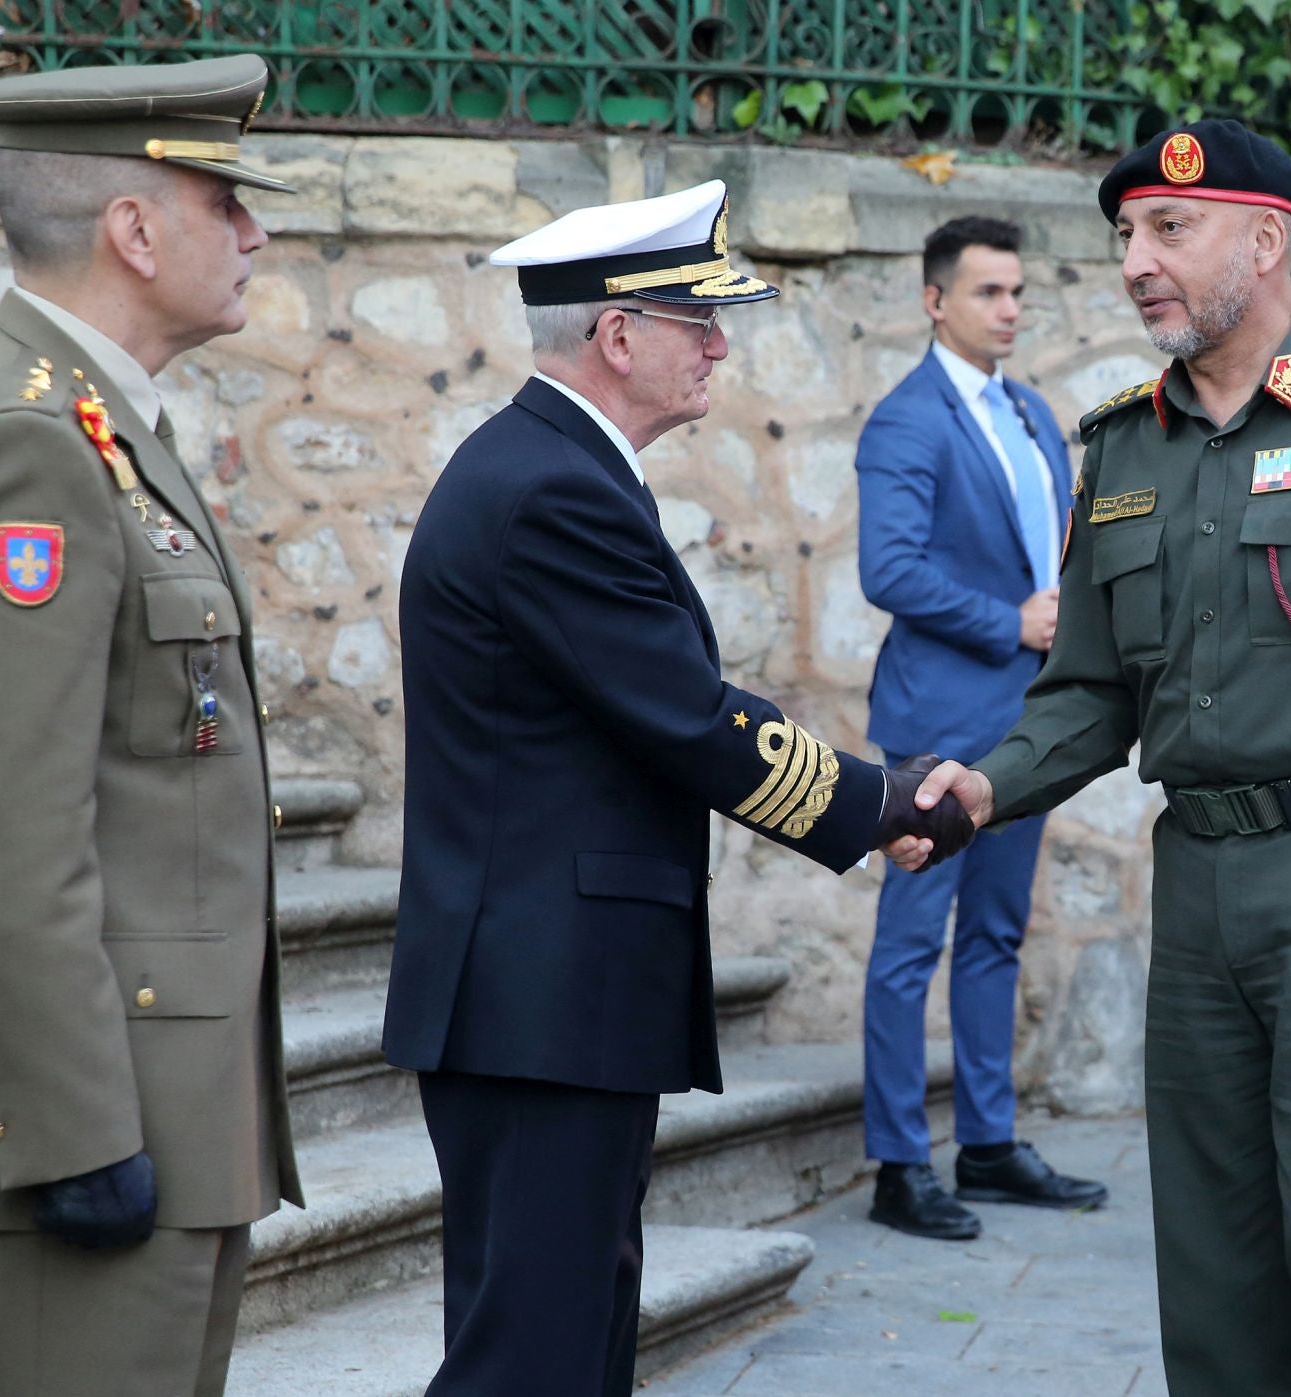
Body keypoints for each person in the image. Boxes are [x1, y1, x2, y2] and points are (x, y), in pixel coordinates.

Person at [897, 119, 1291, 1396]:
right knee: (1216, 1296)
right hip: (1198, 890)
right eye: (1127, 234)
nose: (1137, 259)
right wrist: (986, 783)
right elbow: (1087, 691)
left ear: (1267, 239)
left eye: (1168, 230)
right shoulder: (1123, 449)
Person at [381, 179, 973, 1397]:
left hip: (550, 995)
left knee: (572, 1337)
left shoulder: (551, 468)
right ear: (617, 337)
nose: (719, 344)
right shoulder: (549, 490)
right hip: (538, 1001)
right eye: (696, 320)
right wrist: (883, 803)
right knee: (530, 1357)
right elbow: (691, 720)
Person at [0, 56, 301, 1397]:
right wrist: (69, 1134)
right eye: (223, 202)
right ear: (134, 230)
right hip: (94, 1118)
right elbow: (3, 828)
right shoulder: (26, 444)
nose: (254, 235)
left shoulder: (101, 422)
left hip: (164, 1104)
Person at [855, 216, 1106, 1240]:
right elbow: (891, 569)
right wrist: (1010, 618)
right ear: (935, 300)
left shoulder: (1036, 413)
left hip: (1023, 727)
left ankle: (989, 1144)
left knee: (998, 933)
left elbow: (1059, 548)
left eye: (1017, 292)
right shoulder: (906, 422)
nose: (1010, 309)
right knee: (911, 942)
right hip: (934, 725)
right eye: (989, 292)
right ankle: (898, 1161)